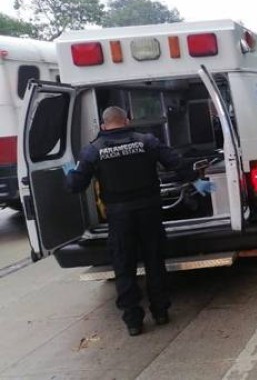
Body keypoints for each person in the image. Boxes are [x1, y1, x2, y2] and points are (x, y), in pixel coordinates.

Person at [65, 106, 212, 336]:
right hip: (150, 213)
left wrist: (70, 174)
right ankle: (161, 312)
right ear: (127, 121)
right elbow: (176, 163)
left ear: (103, 126)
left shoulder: (93, 150)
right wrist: (195, 180)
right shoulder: (147, 141)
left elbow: (76, 186)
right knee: (154, 261)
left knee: (124, 267)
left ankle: (133, 321)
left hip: (119, 217)